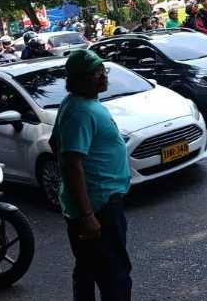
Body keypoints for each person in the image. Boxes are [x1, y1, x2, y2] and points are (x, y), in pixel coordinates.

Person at [51, 50, 132, 300]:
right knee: (114, 274)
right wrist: (87, 215)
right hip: (99, 207)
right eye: (96, 74)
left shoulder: (77, 103)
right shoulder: (80, 111)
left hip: (97, 202)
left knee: (87, 268)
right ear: (80, 80)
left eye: (103, 71)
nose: (103, 77)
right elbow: (71, 164)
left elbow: (55, 143)